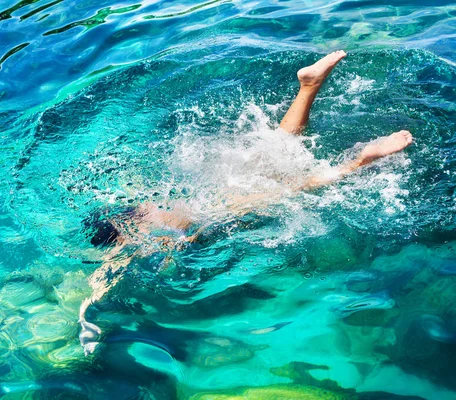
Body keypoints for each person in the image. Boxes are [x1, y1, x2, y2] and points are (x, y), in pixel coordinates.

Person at [78, 50, 413, 354]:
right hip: (210, 180)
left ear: (124, 230)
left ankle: (358, 162)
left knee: (292, 189)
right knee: (281, 149)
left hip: (218, 203)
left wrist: (87, 328)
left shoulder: (129, 246)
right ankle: (308, 86)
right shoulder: (149, 207)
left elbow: (97, 289)